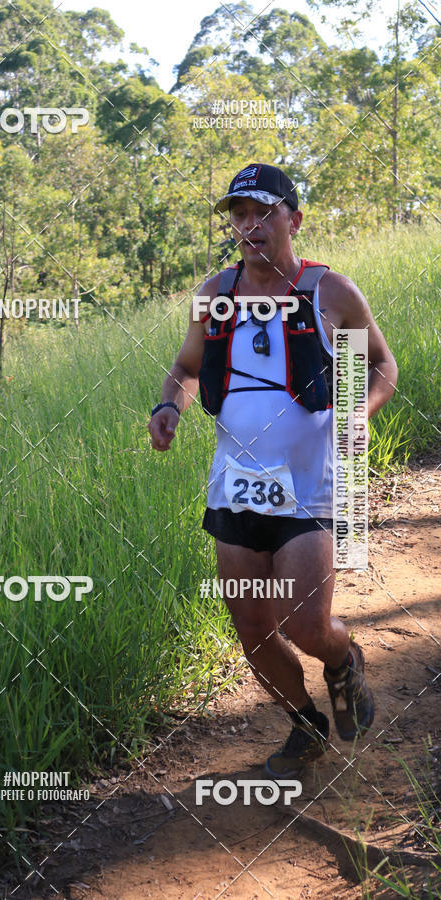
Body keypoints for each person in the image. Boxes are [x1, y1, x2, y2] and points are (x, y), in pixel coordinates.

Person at [147, 163, 398, 778]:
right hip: (234, 487)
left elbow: (381, 367)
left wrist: (358, 412)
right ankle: (306, 727)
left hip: (309, 488)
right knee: (253, 627)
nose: (248, 226)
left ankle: (343, 661)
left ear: (294, 218)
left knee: (303, 622)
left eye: (262, 212)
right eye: (238, 214)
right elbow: (184, 369)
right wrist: (166, 406)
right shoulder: (215, 294)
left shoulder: (329, 291)